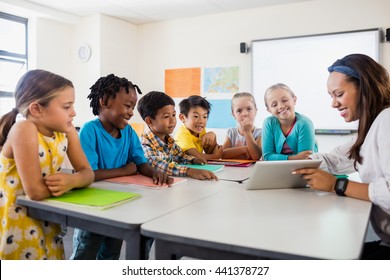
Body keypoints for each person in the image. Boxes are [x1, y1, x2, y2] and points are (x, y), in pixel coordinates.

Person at [294, 54, 390, 259]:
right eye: (331, 96)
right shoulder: (371, 126)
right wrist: (299, 165)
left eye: (338, 94)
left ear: (364, 87)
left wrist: (337, 185)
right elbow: (335, 159)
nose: (334, 104)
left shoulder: (387, 120)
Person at [71, 74, 172, 260]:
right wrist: (123, 171)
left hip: (119, 204)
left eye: (133, 107)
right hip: (93, 206)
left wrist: (155, 172)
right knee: (85, 253)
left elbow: (140, 163)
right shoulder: (89, 130)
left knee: (111, 254)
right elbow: (88, 174)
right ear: (104, 101)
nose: (131, 112)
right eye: (127, 106)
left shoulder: (128, 132)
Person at [0, 69, 94, 260]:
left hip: (48, 219)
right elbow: (35, 191)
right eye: (67, 107)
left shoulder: (66, 132)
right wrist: (73, 182)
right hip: (17, 224)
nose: (74, 112)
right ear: (36, 109)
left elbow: (88, 173)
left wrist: (73, 181)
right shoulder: (23, 129)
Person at [137, 91, 218, 180]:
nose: (172, 120)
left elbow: (180, 156)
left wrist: (193, 160)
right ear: (150, 121)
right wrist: (189, 171)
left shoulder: (169, 140)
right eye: (166, 116)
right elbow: (156, 165)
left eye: (173, 115)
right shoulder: (145, 143)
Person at [262, 83, 318, 161]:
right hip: (278, 169)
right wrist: (293, 158)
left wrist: (276, 157)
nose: (281, 106)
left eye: (284, 100)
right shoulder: (269, 123)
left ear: (294, 100)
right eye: (274, 105)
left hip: (304, 169)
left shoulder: (305, 124)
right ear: (269, 110)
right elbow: (267, 156)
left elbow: (305, 159)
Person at [174, 95, 223, 161]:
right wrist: (216, 156)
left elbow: (209, 152)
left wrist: (212, 135)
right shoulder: (182, 134)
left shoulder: (200, 130)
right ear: (183, 118)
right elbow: (198, 156)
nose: (201, 121)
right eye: (196, 116)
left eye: (204, 117)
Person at [222, 92, 262, 160]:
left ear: (255, 111)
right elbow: (222, 154)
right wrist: (244, 149)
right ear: (233, 115)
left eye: (249, 109)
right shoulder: (231, 132)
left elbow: (256, 156)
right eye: (239, 111)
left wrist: (247, 131)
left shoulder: (260, 133)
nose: (245, 114)